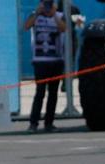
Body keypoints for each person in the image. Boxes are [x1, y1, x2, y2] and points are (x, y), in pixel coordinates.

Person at [24, 1, 66, 133]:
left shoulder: (60, 15)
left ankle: (49, 123)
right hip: (40, 61)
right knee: (40, 93)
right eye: (44, 3)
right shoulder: (35, 16)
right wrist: (37, 13)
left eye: (49, 4)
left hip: (56, 60)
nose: (47, 7)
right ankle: (33, 123)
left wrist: (54, 15)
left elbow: (63, 28)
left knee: (53, 94)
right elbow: (26, 26)